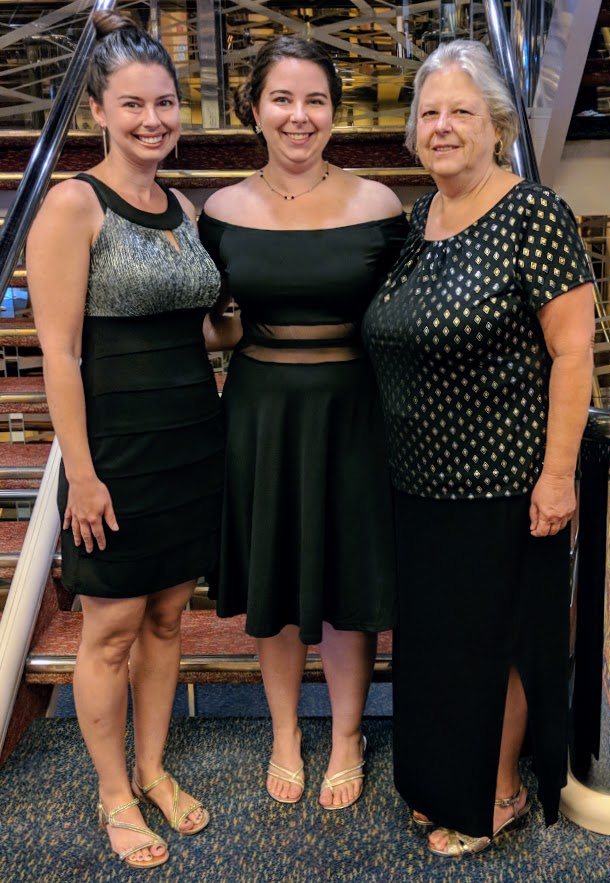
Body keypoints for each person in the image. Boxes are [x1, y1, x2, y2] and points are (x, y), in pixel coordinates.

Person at [363, 39, 595, 857]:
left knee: (494, 642)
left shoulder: (533, 213)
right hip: (418, 484)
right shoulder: (418, 218)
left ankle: (497, 793)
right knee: (437, 647)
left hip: (504, 480)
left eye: (461, 110)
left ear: (495, 123)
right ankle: (441, 781)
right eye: (429, 113)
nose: (442, 126)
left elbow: (573, 352)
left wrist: (558, 475)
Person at [26, 11, 223, 869]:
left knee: (171, 616)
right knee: (109, 627)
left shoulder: (182, 204)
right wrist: (84, 474)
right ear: (98, 112)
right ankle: (113, 792)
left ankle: (150, 767)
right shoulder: (74, 202)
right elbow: (61, 353)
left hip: (191, 440)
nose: (154, 120)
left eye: (167, 103)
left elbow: (201, 330)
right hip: (116, 449)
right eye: (134, 105)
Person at [199, 36, 407, 810]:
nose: (299, 115)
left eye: (315, 99)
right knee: (274, 572)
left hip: (353, 412)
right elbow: (220, 323)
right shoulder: (219, 211)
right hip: (259, 412)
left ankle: (348, 732)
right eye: (282, 98)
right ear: (255, 110)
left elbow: (400, 320)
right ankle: (286, 728)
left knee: (350, 577)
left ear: (334, 112)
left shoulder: (379, 205)